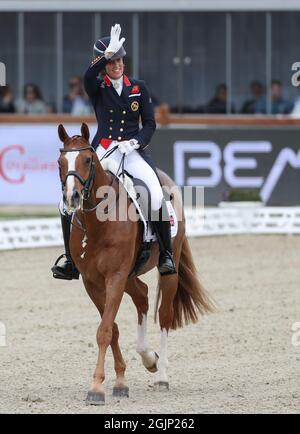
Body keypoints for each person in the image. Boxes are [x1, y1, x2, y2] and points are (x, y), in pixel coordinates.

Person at [52, 23, 176, 280]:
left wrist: (136, 142)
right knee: (65, 202)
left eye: (119, 59)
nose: (117, 64)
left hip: (130, 151)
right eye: (112, 61)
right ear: (105, 64)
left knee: (153, 192)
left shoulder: (139, 87)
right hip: (103, 151)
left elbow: (150, 123)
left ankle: (165, 254)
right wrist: (104, 55)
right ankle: (70, 258)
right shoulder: (98, 88)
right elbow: (88, 77)